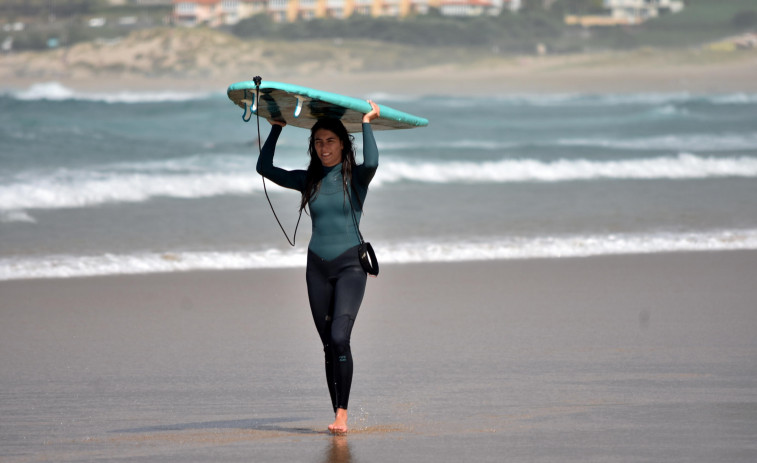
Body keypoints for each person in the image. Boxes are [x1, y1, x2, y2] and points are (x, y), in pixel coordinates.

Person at [256, 101, 381, 433]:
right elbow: (265, 168)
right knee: (329, 343)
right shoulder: (308, 180)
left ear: (343, 143)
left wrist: (367, 122)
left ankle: (343, 413)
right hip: (317, 268)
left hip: (351, 265)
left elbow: (374, 160)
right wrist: (276, 128)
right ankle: (337, 413)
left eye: (330, 141)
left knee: (341, 336)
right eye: (318, 142)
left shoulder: (356, 179)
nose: (324, 148)